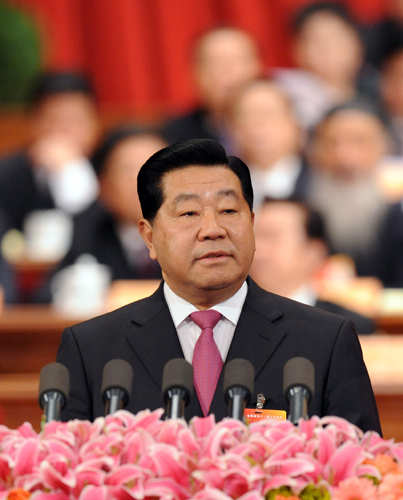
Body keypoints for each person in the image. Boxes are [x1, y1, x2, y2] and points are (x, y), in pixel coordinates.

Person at [56, 138, 381, 434]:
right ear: (149, 237)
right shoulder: (91, 349)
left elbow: (363, 475)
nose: (212, 230)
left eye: (228, 210)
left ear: (251, 224)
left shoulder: (325, 341)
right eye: (188, 213)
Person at [35, 125, 164, 303]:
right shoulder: (88, 228)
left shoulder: (195, 228)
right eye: (128, 170)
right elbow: (47, 297)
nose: (143, 181)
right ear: (103, 185)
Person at [250, 197, 375, 334]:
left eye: (273, 237)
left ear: (314, 253)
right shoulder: (231, 320)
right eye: (254, 236)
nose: (258, 249)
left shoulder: (347, 327)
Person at [0, 70, 100, 232]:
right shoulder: (5, 175)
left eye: (76, 120)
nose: (67, 131)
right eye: (55, 119)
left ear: (94, 125)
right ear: (34, 124)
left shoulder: (109, 168)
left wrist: (73, 171)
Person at [306, 100, 394, 278]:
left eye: (359, 141)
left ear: (384, 147)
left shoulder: (397, 208)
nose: (344, 157)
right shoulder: (302, 203)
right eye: (332, 142)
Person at [273, 1, 377, 130]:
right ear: (297, 50)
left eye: (336, 38)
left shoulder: (380, 89)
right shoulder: (281, 94)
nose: (328, 49)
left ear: (358, 42)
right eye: (317, 41)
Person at [162, 26, 263, 151]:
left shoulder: (289, 120)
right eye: (215, 63)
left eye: (235, 61)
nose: (226, 71)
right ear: (195, 73)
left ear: (258, 66)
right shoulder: (176, 135)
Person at [230, 78, 310, 206]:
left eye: (269, 113)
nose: (258, 124)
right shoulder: (222, 187)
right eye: (246, 116)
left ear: (295, 126)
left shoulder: (321, 185)